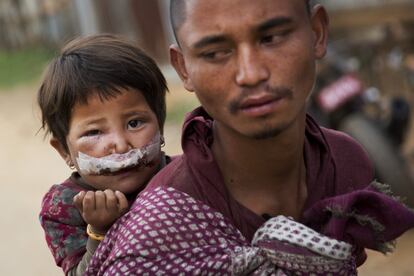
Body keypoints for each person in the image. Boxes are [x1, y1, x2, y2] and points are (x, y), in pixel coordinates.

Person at [86, 1, 414, 275]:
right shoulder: (159, 228)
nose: (251, 73)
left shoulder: (343, 163)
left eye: (271, 37)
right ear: (183, 67)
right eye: (215, 53)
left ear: (317, 32)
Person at [37, 34, 168, 275]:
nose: (119, 145)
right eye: (95, 132)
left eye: (135, 123)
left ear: (159, 126)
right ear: (64, 151)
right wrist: (100, 231)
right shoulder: (64, 207)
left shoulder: (184, 177)